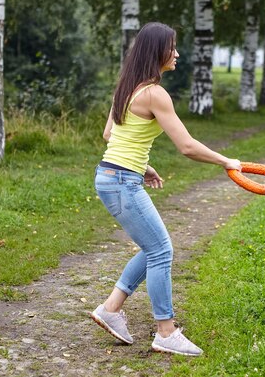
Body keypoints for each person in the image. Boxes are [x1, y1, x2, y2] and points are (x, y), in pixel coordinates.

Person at [90, 22, 241, 356]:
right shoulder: (155, 94)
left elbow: (109, 135)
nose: (177, 53)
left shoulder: (128, 86)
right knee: (161, 251)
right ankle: (166, 331)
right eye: (172, 47)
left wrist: (142, 165)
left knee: (153, 247)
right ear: (156, 51)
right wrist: (226, 161)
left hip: (111, 176)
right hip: (120, 182)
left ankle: (110, 309)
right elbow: (186, 146)